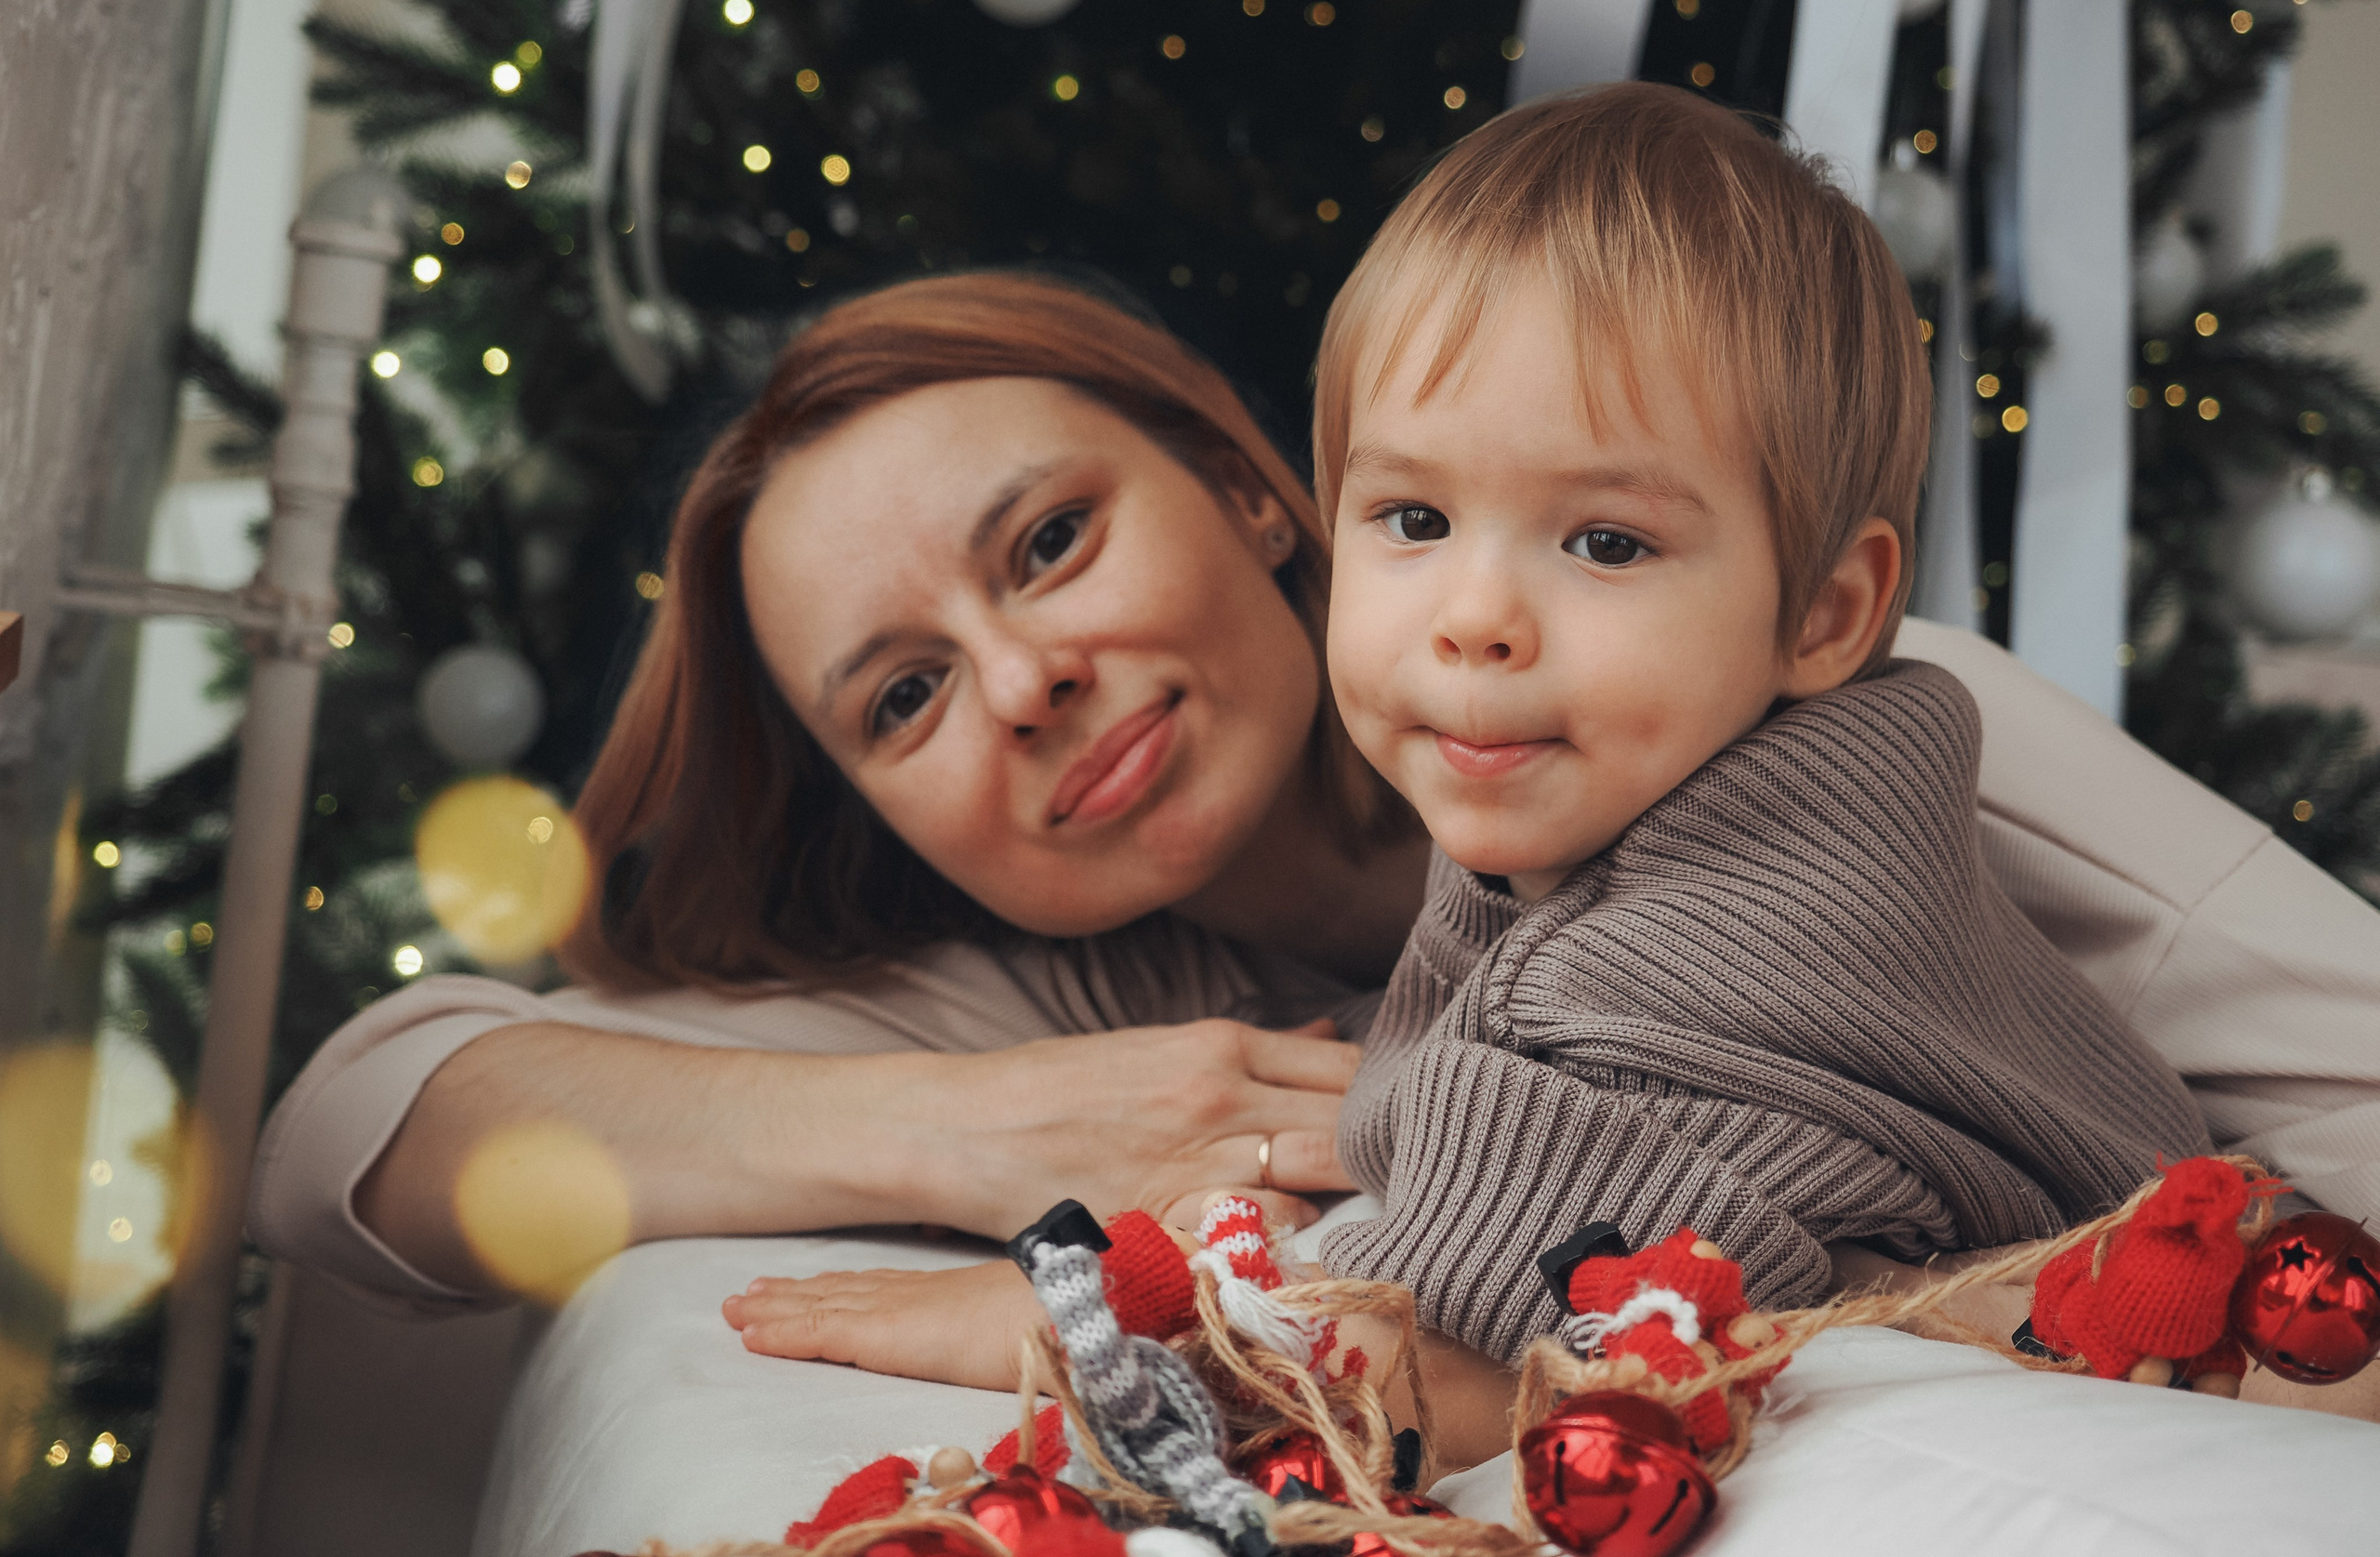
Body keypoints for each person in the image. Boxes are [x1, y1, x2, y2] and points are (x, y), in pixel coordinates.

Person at [255, 266, 2380, 1461]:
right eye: (900, 700)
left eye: (1050, 542)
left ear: (1251, 486)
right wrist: (992, 1124)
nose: (1018, 686)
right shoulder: (1052, 996)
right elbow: (359, 1123)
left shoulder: (1830, 735)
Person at [1311, 83, 2204, 1373]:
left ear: (1826, 615)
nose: (1475, 618)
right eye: (1412, 518)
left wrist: (987, 1322)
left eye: (1606, 542)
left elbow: (1435, 1356)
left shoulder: (1717, 945)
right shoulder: (1638, 809)